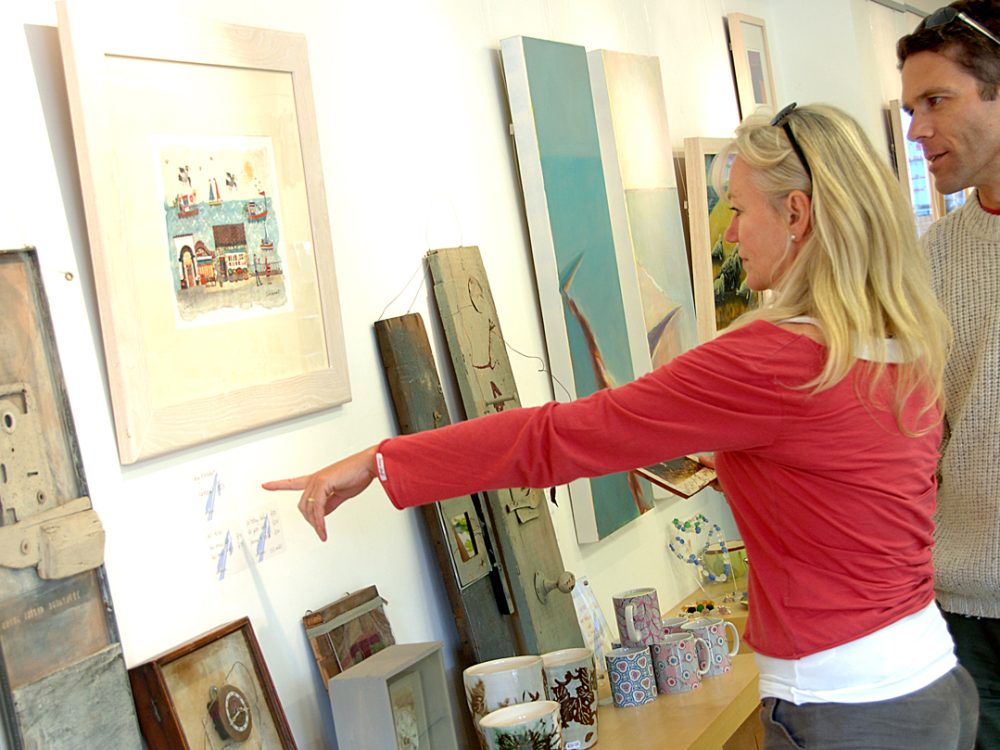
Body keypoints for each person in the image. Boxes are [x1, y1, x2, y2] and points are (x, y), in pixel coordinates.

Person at [264, 104, 977, 749]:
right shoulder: (902, 336)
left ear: (797, 213)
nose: (731, 232)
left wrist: (383, 460)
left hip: (846, 711)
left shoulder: (776, 359)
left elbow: (559, 437)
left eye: (737, 210)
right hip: (931, 684)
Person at [898, 3, 1000, 747]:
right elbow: (912, 437)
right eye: (911, 109)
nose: (917, 129)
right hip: (960, 614)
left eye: (937, 100)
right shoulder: (930, 260)